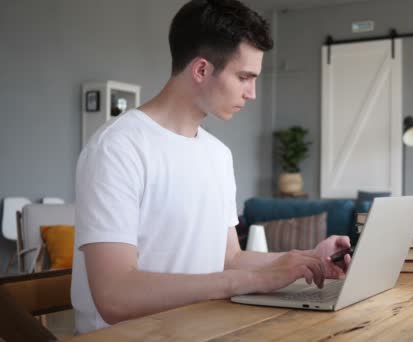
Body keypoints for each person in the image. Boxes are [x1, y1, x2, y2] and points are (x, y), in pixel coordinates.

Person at [71, 0, 352, 334]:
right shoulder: (117, 148)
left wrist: (309, 259)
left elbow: (229, 259)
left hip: (205, 330)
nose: (252, 94)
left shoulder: (217, 154)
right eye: (244, 77)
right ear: (201, 70)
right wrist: (245, 281)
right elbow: (115, 297)